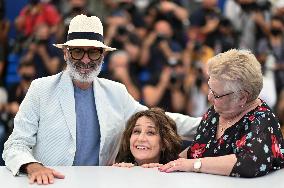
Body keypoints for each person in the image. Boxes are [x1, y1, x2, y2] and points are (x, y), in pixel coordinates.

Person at [2, 14, 201, 185]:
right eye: (78, 51)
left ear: (103, 55)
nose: (86, 59)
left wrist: (209, 124)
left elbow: (160, 120)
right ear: (65, 53)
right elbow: (15, 144)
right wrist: (33, 166)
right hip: (51, 185)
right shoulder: (40, 89)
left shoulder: (116, 92)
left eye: (94, 51)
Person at [159, 49, 284, 177]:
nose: (209, 97)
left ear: (242, 97)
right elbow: (195, 150)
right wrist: (166, 165)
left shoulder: (263, 120)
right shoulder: (216, 112)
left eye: (216, 95)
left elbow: (249, 163)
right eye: (210, 89)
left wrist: (194, 165)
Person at [113, 108, 182, 168]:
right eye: (137, 131)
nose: (140, 139)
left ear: (164, 143)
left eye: (150, 133)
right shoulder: (117, 169)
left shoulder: (177, 173)